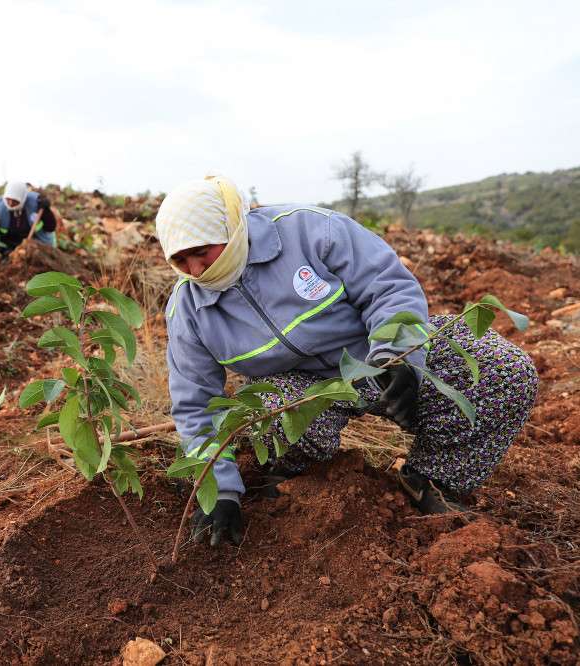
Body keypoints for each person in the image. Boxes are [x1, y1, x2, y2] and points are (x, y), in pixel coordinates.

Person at [157, 175, 538, 547]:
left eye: (202, 253)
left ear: (232, 228)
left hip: (377, 355)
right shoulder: (188, 309)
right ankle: (296, 478)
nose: (195, 270)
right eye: (180, 260)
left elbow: (388, 288)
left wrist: (399, 357)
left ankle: (432, 478)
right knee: (261, 411)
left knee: (504, 370)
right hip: (304, 385)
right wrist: (218, 492)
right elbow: (195, 404)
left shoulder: (311, 231)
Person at [0, 181, 58, 254]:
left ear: (22, 198)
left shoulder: (36, 205)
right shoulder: (0, 210)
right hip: (11, 242)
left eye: (15, 200)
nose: (10, 203)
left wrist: (47, 211)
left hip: (36, 242)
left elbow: (50, 228)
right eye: (8, 199)